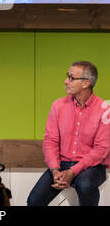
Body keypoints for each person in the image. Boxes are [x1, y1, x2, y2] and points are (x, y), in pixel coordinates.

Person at [27, 61, 110, 206]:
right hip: (61, 165)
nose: (65, 81)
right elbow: (50, 141)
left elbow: (100, 150)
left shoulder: (104, 109)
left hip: (92, 166)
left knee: (85, 186)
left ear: (86, 83)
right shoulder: (58, 106)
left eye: (71, 78)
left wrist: (73, 171)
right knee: (34, 200)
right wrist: (55, 170)